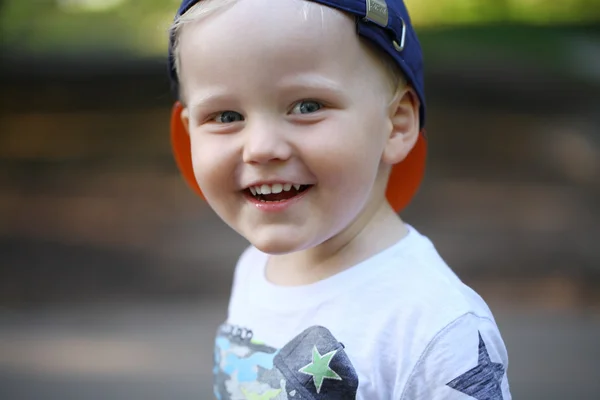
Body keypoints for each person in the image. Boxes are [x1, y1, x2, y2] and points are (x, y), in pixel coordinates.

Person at [167, 0, 511, 398]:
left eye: (307, 107)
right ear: (189, 130)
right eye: (226, 116)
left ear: (396, 125)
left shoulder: (435, 327)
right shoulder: (255, 267)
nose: (260, 148)